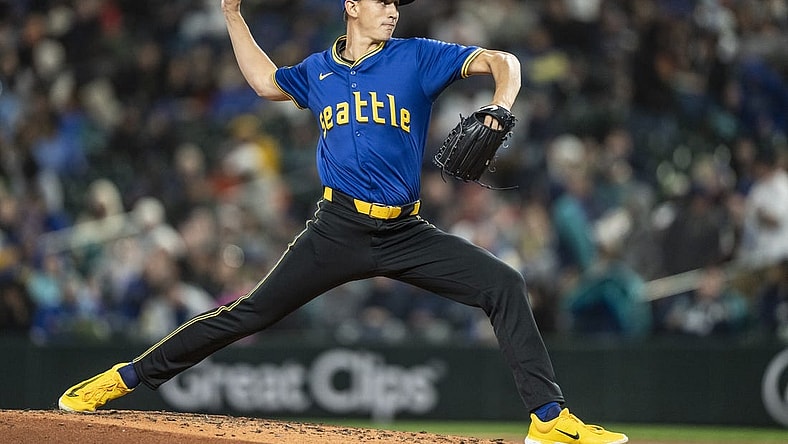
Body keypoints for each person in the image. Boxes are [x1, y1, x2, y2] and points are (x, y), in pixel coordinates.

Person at [58, 1, 628, 443]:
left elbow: (505, 61)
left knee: (504, 284)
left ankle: (549, 419)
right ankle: (127, 377)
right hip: (336, 228)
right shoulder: (318, 70)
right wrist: (232, 13)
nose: (393, 10)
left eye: (397, 4)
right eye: (382, 1)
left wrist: (502, 102)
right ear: (351, 5)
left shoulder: (416, 56)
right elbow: (265, 82)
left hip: (405, 231)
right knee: (248, 313)